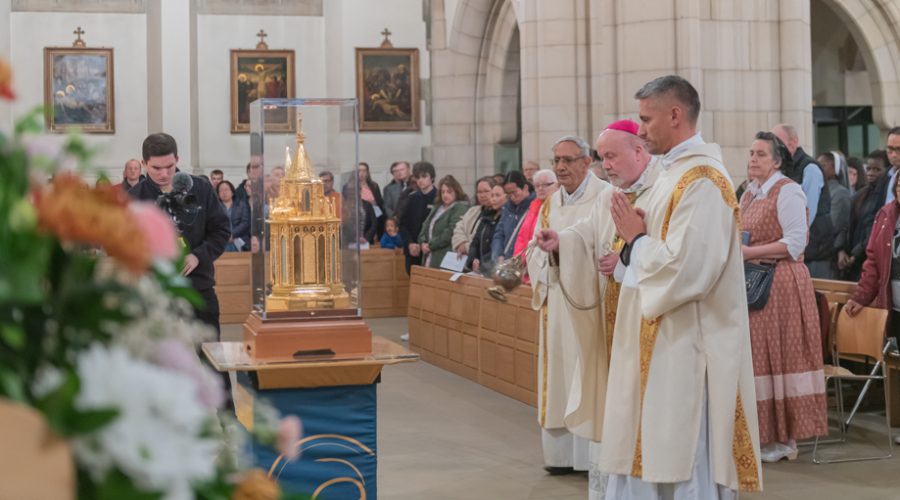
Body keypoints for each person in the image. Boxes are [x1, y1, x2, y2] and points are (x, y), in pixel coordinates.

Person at [598, 75, 762, 497]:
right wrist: (628, 250)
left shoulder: (703, 180)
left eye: (646, 119)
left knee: (681, 454)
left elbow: (689, 271)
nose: (641, 129)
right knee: (649, 447)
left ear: (675, 115)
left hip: (687, 345)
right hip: (661, 337)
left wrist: (636, 240)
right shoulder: (673, 174)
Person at [537, 120, 656, 499]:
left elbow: (665, 251)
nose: (607, 166)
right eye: (603, 158)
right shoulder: (613, 196)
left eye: (610, 157)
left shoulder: (658, 190)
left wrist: (623, 262)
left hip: (640, 311)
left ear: (638, 151)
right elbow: (587, 231)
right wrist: (561, 240)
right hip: (607, 309)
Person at [523, 135, 610, 484]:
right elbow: (534, 247)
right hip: (557, 301)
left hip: (591, 303)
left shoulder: (604, 196)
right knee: (559, 372)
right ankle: (560, 455)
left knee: (587, 372)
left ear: (587, 162)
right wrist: (547, 256)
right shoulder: (550, 203)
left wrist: (566, 251)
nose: (560, 167)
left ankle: (590, 455)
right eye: (556, 160)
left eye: (568, 160)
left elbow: (605, 246)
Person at [741, 132, 827, 463]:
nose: (752, 159)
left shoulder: (788, 190)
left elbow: (795, 243)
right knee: (759, 357)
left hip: (783, 285)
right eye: (750, 153)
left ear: (777, 161)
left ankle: (785, 438)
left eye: (761, 154)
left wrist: (748, 252)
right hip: (755, 281)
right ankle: (764, 433)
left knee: (781, 355)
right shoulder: (749, 193)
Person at [129, 133, 231, 333]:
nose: (164, 174)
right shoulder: (134, 199)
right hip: (155, 292)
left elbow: (221, 230)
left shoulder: (201, 189)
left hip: (199, 286)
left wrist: (197, 256)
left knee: (209, 358)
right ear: (144, 163)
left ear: (177, 159)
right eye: (156, 168)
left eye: (169, 166)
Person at [845, 173, 900, 348]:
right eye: (899, 185)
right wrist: (861, 297)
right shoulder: (886, 214)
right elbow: (873, 262)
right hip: (894, 306)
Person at [772, 124, 833, 278]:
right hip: (795, 248)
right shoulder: (785, 168)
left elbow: (807, 214)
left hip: (813, 249)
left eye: (777, 142)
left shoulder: (810, 168)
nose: (773, 148)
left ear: (793, 143)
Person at [839, 150, 889, 280]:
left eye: (877, 169)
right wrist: (841, 251)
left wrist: (856, 254)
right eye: (869, 168)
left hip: (869, 259)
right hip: (852, 261)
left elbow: (876, 230)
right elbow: (846, 224)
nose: (871, 173)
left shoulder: (886, 197)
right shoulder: (860, 195)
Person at [418, 175, 469, 268]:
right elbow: (425, 226)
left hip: (446, 256)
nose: (445, 195)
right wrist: (422, 242)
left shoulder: (460, 207)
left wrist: (430, 245)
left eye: (449, 192)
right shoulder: (437, 207)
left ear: (456, 192)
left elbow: (450, 232)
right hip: (429, 255)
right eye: (443, 192)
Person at [817, 151, 852, 279]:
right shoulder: (820, 190)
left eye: (823, 165)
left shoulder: (840, 193)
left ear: (834, 168)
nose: (819, 168)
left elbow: (833, 225)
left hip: (828, 256)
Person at [399, 162, 438, 273]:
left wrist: (428, 244)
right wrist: (410, 243)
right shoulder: (411, 198)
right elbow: (402, 224)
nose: (420, 180)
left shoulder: (439, 198)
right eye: (418, 177)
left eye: (424, 176)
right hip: (413, 250)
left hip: (432, 249)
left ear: (432, 177)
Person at [513, 169, 557, 265]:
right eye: (537, 186)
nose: (541, 188)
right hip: (527, 264)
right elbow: (521, 236)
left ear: (557, 185)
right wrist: (519, 259)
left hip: (545, 263)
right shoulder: (533, 207)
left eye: (546, 185)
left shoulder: (559, 206)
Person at [491, 170, 535, 262]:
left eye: (514, 192)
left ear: (525, 188)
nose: (511, 197)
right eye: (508, 194)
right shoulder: (507, 208)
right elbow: (499, 234)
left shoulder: (534, 207)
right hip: (507, 262)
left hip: (525, 261)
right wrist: (498, 254)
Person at [467, 184, 506, 274]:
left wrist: (483, 266)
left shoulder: (506, 218)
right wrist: (473, 259)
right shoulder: (487, 216)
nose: (494, 199)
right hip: (481, 268)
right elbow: (475, 241)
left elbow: (498, 246)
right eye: (492, 195)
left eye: (498, 195)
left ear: (506, 197)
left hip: (494, 268)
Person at [452, 176, 495, 258]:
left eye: (486, 191)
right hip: (463, 259)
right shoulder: (472, 211)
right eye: (479, 192)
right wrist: (461, 243)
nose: (482, 195)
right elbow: (458, 228)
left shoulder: (498, 213)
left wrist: (467, 247)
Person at [345, 162, 386, 239]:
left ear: (367, 173)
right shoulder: (349, 186)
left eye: (364, 171)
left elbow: (380, 202)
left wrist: (374, 203)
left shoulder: (374, 185)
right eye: (359, 171)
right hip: (357, 219)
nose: (362, 173)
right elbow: (347, 204)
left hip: (374, 217)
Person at [217, 180, 251, 252]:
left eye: (226, 189)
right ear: (218, 194)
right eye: (221, 190)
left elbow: (245, 223)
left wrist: (232, 235)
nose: (224, 192)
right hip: (221, 241)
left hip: (239, 240)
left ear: (232, 192)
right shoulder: (215, 207)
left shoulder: (242, 205)